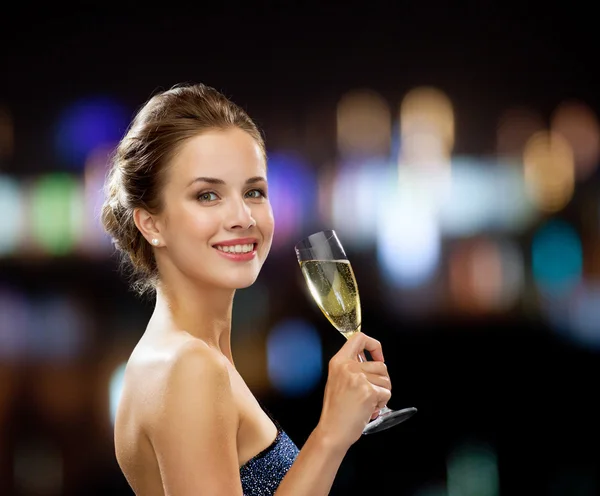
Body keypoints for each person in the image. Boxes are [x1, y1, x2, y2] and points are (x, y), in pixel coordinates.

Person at [101, 82, 392, 495]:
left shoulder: (177, 358)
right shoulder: (190, 368)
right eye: (207, 195)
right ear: (152, 223)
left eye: (254, 191)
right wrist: (330, 434)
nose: (242, 216)